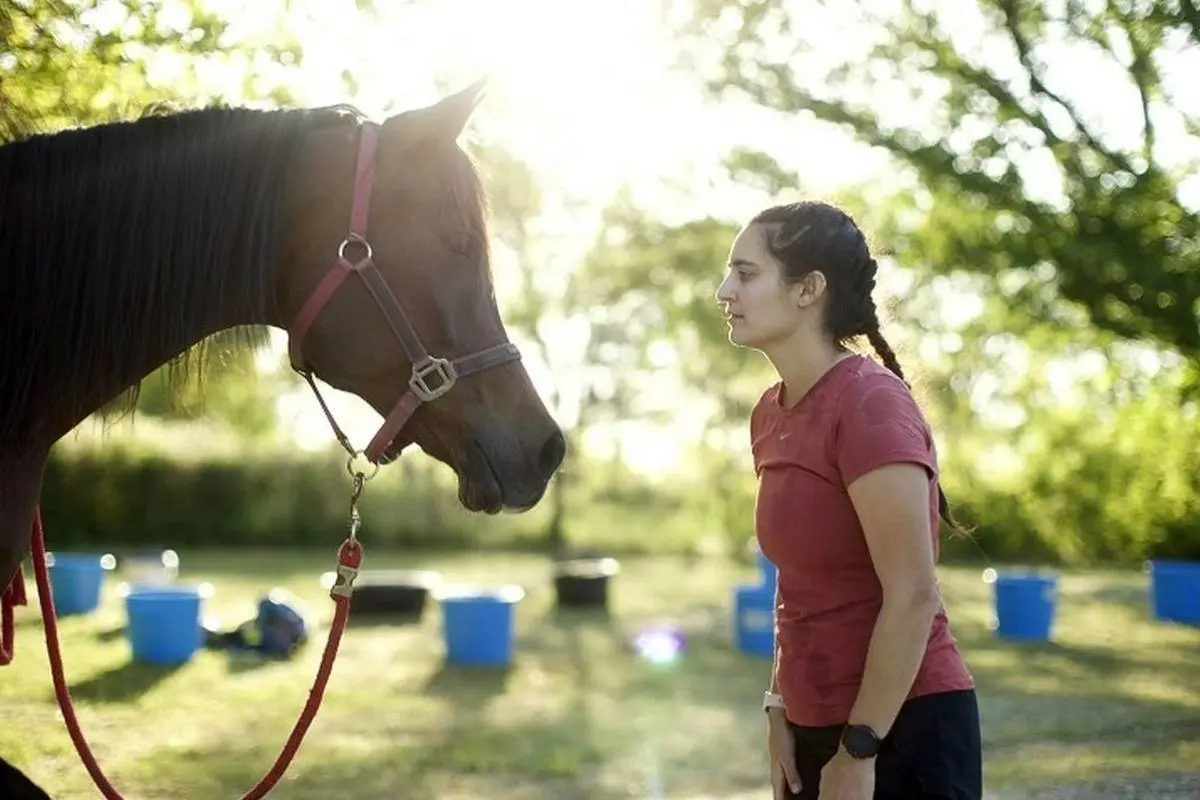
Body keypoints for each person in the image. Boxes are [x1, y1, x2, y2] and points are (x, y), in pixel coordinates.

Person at [715, 200, 982, 800]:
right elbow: (797, 579)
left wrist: (859, 751)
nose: (723, 290)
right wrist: (780, 704)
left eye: (746, 273)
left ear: (808, 289)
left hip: (900, 727)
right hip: (813, 727)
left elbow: (913, 593)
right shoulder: (770, 412)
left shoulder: (869, 404)